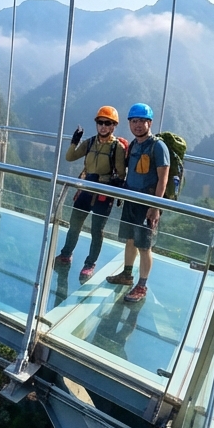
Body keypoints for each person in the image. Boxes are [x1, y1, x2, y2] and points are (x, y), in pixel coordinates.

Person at [106, 102, 170, 303]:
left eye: (142, 121)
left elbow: (163, 179)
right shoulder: (133, 145)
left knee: (144, 246)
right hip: (131, 200)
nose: (138, 125)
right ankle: (126, 275)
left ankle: (141, 286)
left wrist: (155, 206)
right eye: (134, 121)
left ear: (150, 123)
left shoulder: (158, 146)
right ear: (129, 123)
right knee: (130, 239)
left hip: (147, 204)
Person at [54, 105, 126, 281]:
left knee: (97, 230)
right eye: (100, 122)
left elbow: (121, 173)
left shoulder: (117, 147)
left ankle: (90, 264)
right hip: (85, 188)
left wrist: (110, 181)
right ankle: (66, 254)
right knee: (75, 224)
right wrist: (74, 141)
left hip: (103, 192)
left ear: (113, 126)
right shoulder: (90, 142)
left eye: (107, 123)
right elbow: (70, 157)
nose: (103, 126)